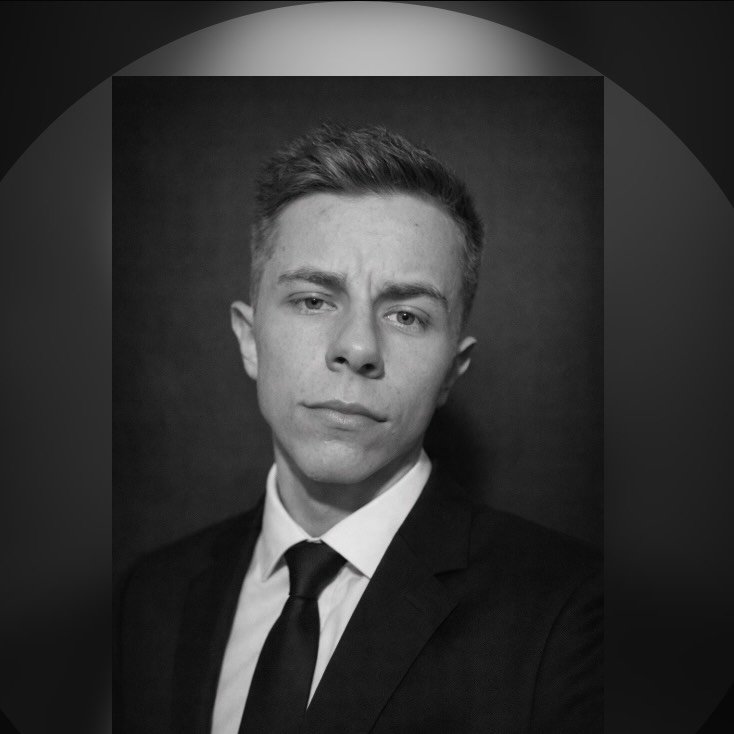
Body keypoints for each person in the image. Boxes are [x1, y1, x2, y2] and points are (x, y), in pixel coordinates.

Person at [115, 123, 602, 733]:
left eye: (406, 315)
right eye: (314, 300)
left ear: (452, 371)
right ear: (249, 340)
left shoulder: (572, 612)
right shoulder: (153, 596)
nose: (357, 347)